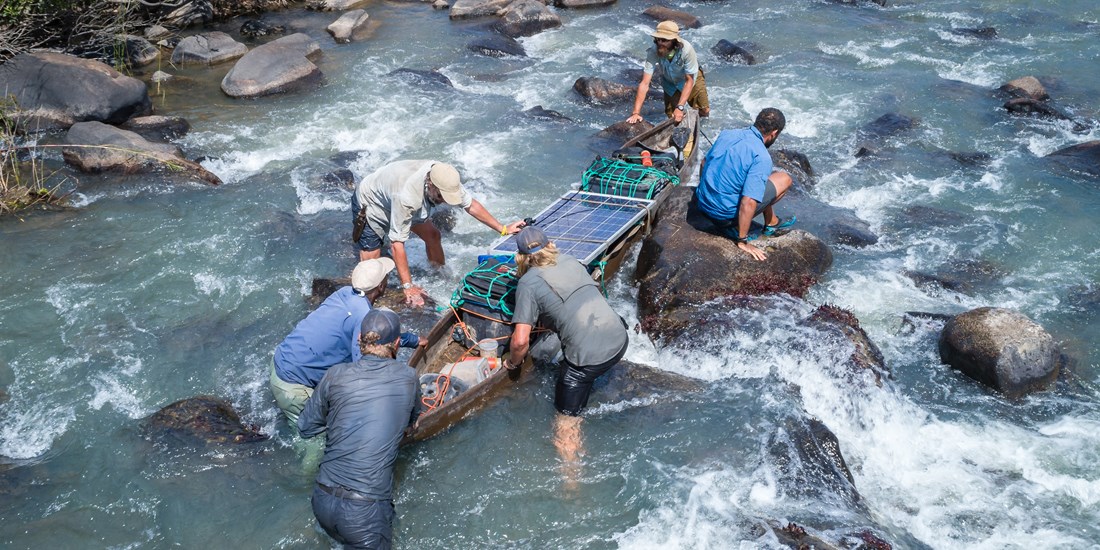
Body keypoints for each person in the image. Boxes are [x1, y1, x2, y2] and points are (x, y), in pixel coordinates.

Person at [503, 227, 629, 480]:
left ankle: (572, 480)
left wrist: (513, 363)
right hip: (620, 339)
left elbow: (520, 342)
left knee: (565, 422)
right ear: (550, 244)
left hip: (589, 360)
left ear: (521, 257)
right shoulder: (571, 260)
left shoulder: (527, 283)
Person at [298, 309, 416, 550]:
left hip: (322, 500)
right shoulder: (409, 377)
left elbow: (306, 427)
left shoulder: (334, 374)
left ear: (360, 340)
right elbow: (411, 425)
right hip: (365, 513)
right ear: (396, 344)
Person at [352, 160, 526, 308]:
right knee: (371, 269)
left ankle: (437, 271)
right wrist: (408, 287)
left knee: (433, 236)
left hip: (398, 197)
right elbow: (397, 244)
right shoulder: (408, 196)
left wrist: (503, 229)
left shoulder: (446, 178)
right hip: (372, 204)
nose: (445, 202)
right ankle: (363, 308)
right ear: (431, 185)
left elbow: (471, 205)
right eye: (442, 197)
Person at [270, 258, 419, 429]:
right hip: (293, 388)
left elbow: (377, 337)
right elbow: (363, 370)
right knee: (320, 437)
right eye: (386, 276)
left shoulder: (344, 293)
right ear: (380, 286)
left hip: (279, 362)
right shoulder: (363, 316)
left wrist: (413, 340)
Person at [695, 108, 796, 262]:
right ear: (774, 133)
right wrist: (742, 241)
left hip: (703, 205)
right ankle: (743, 227)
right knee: (784, 178)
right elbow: (748, 201)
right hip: (724, 218)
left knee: (758, 180)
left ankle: (772, 221)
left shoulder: (728, 134)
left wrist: (705, 193)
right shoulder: (761, 156)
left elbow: (704, 163)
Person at [626, 20, 710, 125]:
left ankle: (700, 124)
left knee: (704, 110)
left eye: (665, 40)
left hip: (690, 79)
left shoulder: (687, 50)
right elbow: (644, 83)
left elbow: (689, 80)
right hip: (670, 82)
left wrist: (680, 107)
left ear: (674, 41)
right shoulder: (653, 51)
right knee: (673, 117)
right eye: (658, 39)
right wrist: (636, 113)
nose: (660, 43)